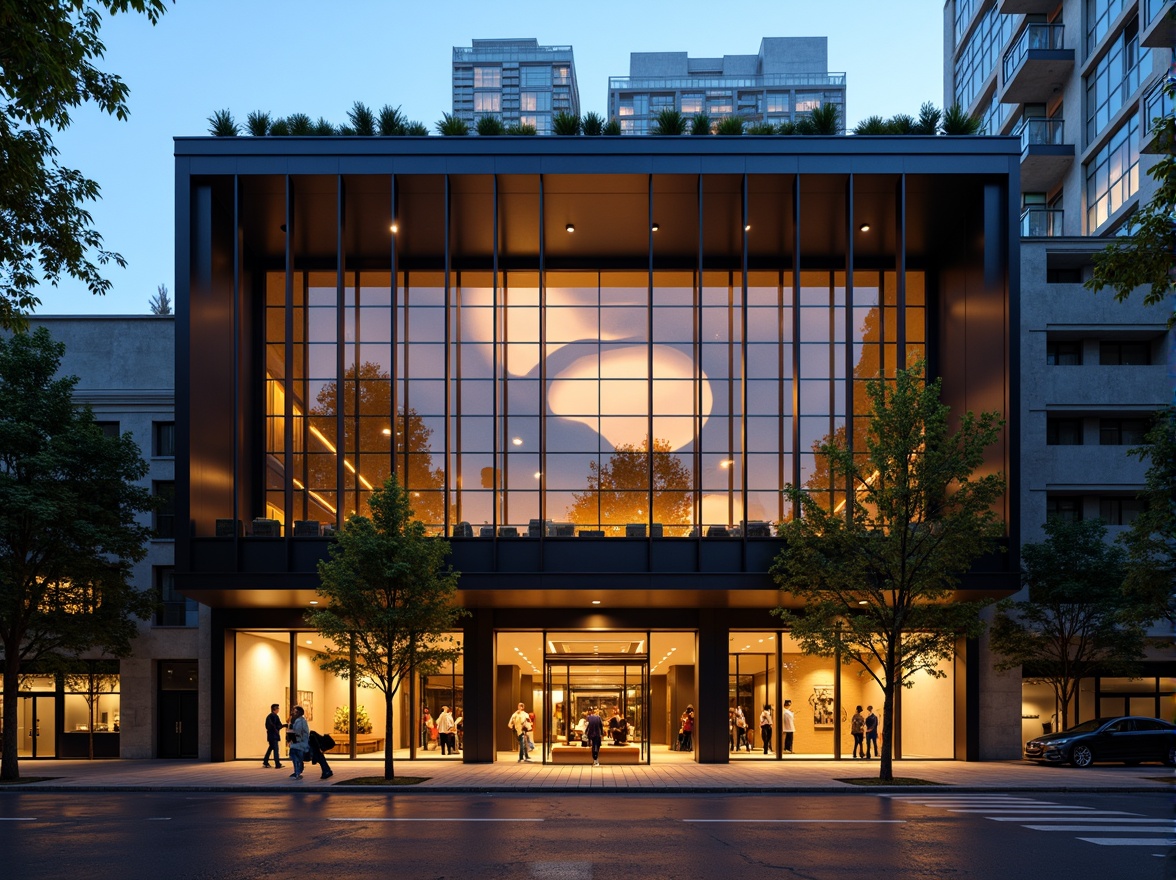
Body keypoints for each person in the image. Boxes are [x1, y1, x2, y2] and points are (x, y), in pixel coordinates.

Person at [287, 705, 309, 780]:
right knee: (295, 756)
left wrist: (291, 732)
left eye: (295, 711)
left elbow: (298, 731)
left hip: (300, 743)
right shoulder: (296, 720)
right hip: (296, 742)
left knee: (295, 755)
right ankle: (297, 770)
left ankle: (297, 771)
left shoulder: (301, 721)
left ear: (299, 712)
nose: (294, 713)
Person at [263, 703, 285, 768]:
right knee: (275, 749)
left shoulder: (269, 716)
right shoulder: (274, 716)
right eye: (278, 708)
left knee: (271, 748)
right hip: (274, 735)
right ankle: (277, 763)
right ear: (274, 709)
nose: (278, 710)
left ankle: (265, 761)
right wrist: (283, 726)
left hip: (271, 735)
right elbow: (277, 726)